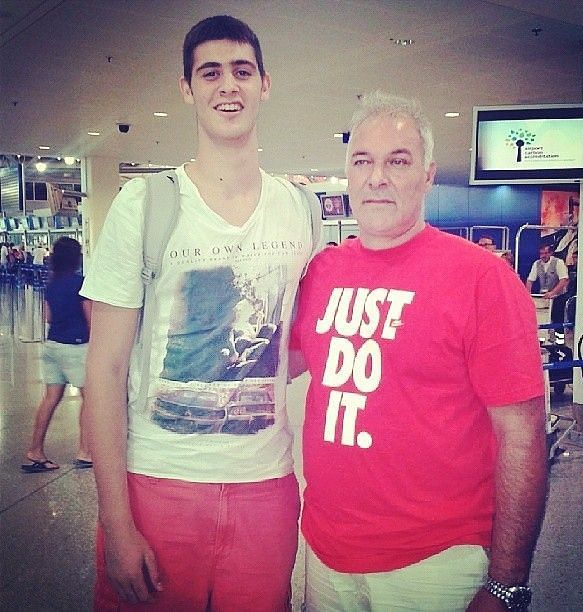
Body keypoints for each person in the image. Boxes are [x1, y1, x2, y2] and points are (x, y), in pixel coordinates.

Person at [81, 14, 317, 610]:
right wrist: (116, 519)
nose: (227, 86)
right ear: (187, 88)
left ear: (266, 83)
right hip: (158, 480)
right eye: (209, 73)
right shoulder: (146, 204)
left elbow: (297, 346)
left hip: (266, 486)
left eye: (242, 71)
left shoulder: (300, 210)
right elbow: (104, 370)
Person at [290, 91, 547, 611]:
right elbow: (273, 366)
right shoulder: (322, 272)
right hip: (324, 553)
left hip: (435, 563)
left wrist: (506, 582)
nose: (376, 177)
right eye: (362, 161)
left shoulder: (481, 278)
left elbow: (522, 435)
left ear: (428, 174)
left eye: (397, 161)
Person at [21, 237, 91, 472]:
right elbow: (91, 320)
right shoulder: (81, 283)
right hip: (76, 346)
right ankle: (85, 452)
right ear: (76, 258)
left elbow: (47, 317)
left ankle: (35, 450)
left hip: (52, 345)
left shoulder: (52, 284)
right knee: (90, 399)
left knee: (50, 399)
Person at [525, 244, 569, 342]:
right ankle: (543, 340)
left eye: (545, 253)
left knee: (557, 318)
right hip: (544, 297)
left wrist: (553, 292)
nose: (543, 256)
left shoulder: (558, 262)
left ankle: (559, 343)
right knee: (542, 317)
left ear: (550, 253)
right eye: (541, 253)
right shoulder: (537, 264)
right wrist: (527, 295)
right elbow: (530, 280)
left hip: (559, 296)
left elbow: (564, 280)